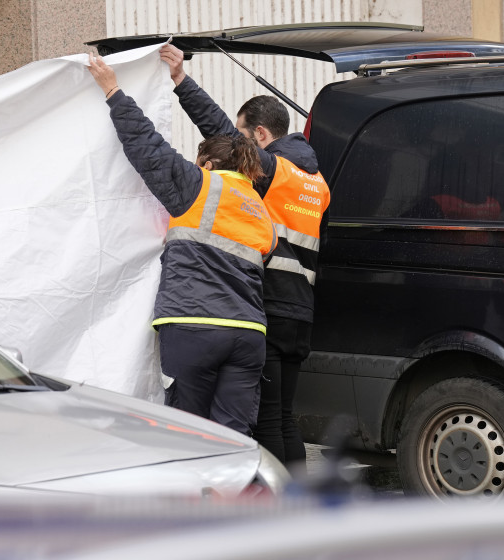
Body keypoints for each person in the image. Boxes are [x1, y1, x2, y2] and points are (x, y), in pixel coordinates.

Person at [87, 53, 276, 437]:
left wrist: (112, 91)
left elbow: (148, 147)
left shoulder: (199, 186)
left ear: (207, 164)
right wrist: (180, 81)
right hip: (249, 334)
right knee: (234, 437)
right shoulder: (260, 208)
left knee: (188, 434)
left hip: (195, 327)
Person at [160, 44, 330, 467]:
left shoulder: (276, 171)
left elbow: (219, 130)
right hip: (302, 312)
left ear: (261, 137)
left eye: (244, 137)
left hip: (268, 303)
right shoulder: (318, 184)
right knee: (285, 417)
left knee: (267, 421)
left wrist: (181, 81)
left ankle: (274, 501)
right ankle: (296, 499)